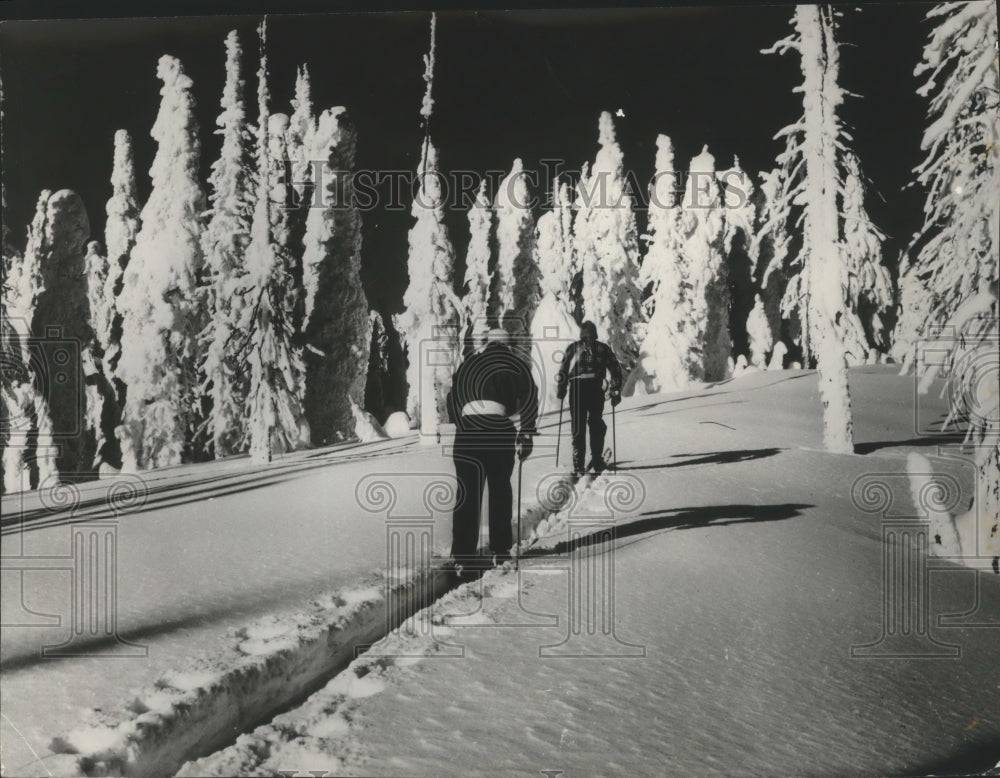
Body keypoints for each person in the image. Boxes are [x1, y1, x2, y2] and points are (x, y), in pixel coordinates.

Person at [446, 328, 538, 574]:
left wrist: (462, 422)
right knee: (499, 489)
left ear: (488, 343)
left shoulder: (469, 363)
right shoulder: (514, 363)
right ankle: (500, 550)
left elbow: (451, 397)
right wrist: (526, 433)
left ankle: (462, 556)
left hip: (467, 432)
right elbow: (530, 396)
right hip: (497, 428)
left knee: (467, 493)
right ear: (508, 345)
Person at [556, 321, 623, 476]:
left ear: (581, 334)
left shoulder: (573, 348)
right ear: (595, 334)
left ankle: (578, 464)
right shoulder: (602, 348)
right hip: (594, 388)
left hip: (577, 388)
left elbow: (564, 369)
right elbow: (615, 368)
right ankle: (597, 460)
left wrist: (561, 389)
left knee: (578, 426)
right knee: (595, 423)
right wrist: (615, 389)